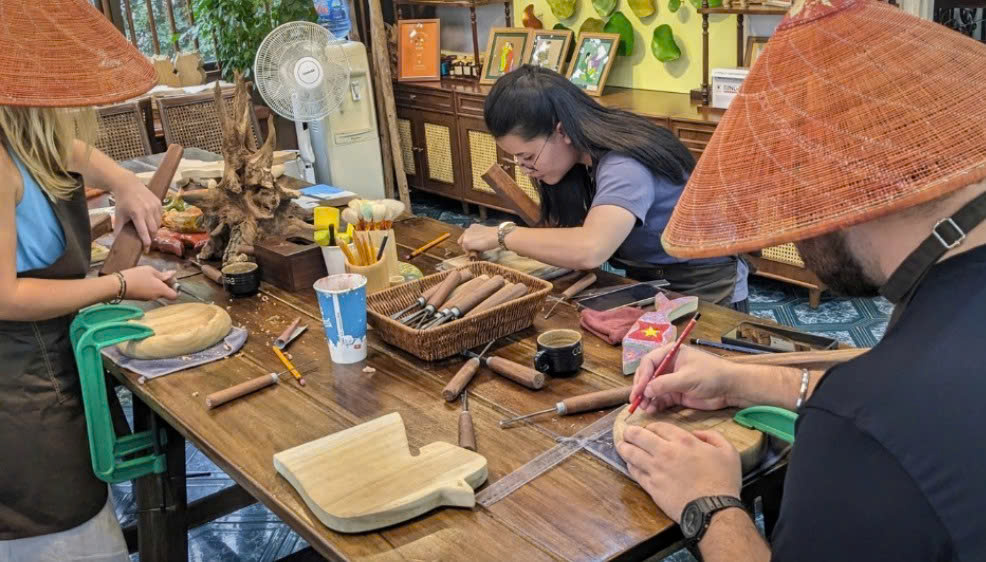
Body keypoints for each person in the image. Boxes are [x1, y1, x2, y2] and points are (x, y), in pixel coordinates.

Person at [618, 0, 986, 560]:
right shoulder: (919, 358)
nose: (785, 238)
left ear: (833, 192)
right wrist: (739, 380)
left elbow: (883, 418)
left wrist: (708, 506)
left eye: (790, 205)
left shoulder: (863, 430)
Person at [0, 2, 178, 560]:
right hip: (21, 400)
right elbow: (6, 295)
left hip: (50, 375)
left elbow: (69, 153)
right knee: (68, 538)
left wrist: (125, 182)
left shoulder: (24, 141)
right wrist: (120, 285)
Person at [457, 65, 749, 310]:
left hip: (704, 284)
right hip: (649, 276)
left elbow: (591, 249)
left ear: (562, 131)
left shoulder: (625, 164)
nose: (524, 167)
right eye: (516, 158)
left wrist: (502, 235)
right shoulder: (582, 158)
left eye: (528, 156)